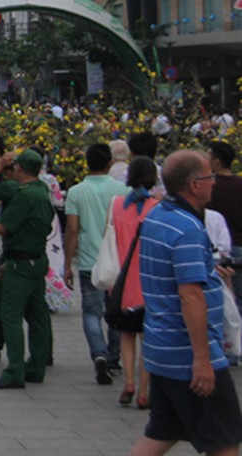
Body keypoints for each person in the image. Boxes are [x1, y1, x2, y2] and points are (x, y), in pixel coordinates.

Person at [130, 150, 242, 456]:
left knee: (161, 433)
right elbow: (190, 295)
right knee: (224, 443)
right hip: (188, 355)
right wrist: (203, 359)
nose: (213, 184)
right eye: (209, 178)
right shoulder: (188, 229)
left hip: (162, 348)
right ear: (194, 184)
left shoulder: (157, 216)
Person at [0, 149, 54, 389]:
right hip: (37, 258)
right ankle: (37, 365)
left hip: (20, 261)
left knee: (10, 315)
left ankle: (14, 370)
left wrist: (0, 167)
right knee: (37, 315)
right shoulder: (42, 190)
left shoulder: (24, 195)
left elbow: (2, 227)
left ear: (19, 168)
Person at [63, 142, 129, 385]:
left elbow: (72, 230)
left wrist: (67, 263)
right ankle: (113, 357)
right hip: (118, 262)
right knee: (115, 312)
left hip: (90, 261)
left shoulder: (76, 192)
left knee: (91, 312)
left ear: (86, 163)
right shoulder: (122, 190)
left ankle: (98, 353)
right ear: (109, 163)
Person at [115, 157, 161, 409]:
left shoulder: (118, 206)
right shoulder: (157, 208)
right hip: (150, 281)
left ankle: (129, 381)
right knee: (148, 337)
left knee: (127, 334)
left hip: (123, 282)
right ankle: (144, 391)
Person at [208, 140, 242, 317]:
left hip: (223, 250)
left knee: (229, 300)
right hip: (240, 246)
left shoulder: (210, 187)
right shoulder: (239, 183)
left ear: (216, 161)